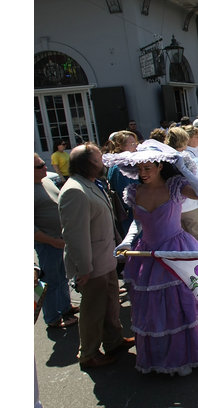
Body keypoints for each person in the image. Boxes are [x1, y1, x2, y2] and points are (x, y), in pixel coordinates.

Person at [105, 140, 198, 376]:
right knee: (153, 308)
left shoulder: (174, 185)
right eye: (139, 169)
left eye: (147, 168)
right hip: (147, 253)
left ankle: (189, 351)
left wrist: (183, 166)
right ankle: (160, 355)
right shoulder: (135, 191)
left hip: (175, 249)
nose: (143, 173)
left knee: (181, 302)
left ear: (159, 166)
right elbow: (137, 224)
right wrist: (127, 242)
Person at [58, 143, 133, 369]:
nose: (104, 161)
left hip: (105, 258)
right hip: (91, 265)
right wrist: (84, 269)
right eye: (99, 158)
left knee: (110, 304)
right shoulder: (74, 190)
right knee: (92, 311)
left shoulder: (90, 183)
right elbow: (74, 235)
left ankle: (113, 341)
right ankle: (89, 354)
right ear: (87, 163)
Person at [34, 153, 79, 328]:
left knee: (63, 276)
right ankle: (52, 318)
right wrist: (52, 241)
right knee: (51, 281)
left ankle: (65, 307)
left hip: (60, 239)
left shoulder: (45, 181)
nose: (45, 167)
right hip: (48, 243)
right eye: (39, 166)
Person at [166, 128, 198, 251]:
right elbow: (196, 181)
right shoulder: (185, 158)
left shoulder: (164, 158)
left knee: (181, 242)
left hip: (173, 208)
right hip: (190, 205)